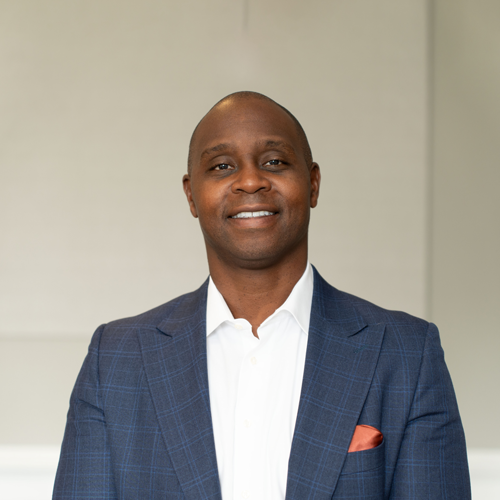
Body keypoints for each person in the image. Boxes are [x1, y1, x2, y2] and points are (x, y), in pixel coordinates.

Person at [53, 91, 471, 499]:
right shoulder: (116, 360)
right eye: (221, 166)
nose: (251, 180)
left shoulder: (407, 354)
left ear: (313, 184)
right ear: (191, 195)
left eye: (275, 162)